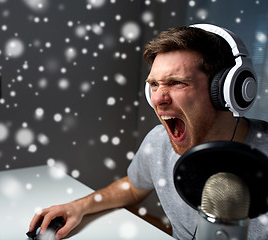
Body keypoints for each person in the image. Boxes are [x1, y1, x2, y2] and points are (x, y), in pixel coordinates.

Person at [29, 24, 268, 240]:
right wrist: (78, 207)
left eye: (177, 83)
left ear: (227, 91)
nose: (158, 99)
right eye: (154, 84)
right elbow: (133, 187)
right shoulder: (159, 141)